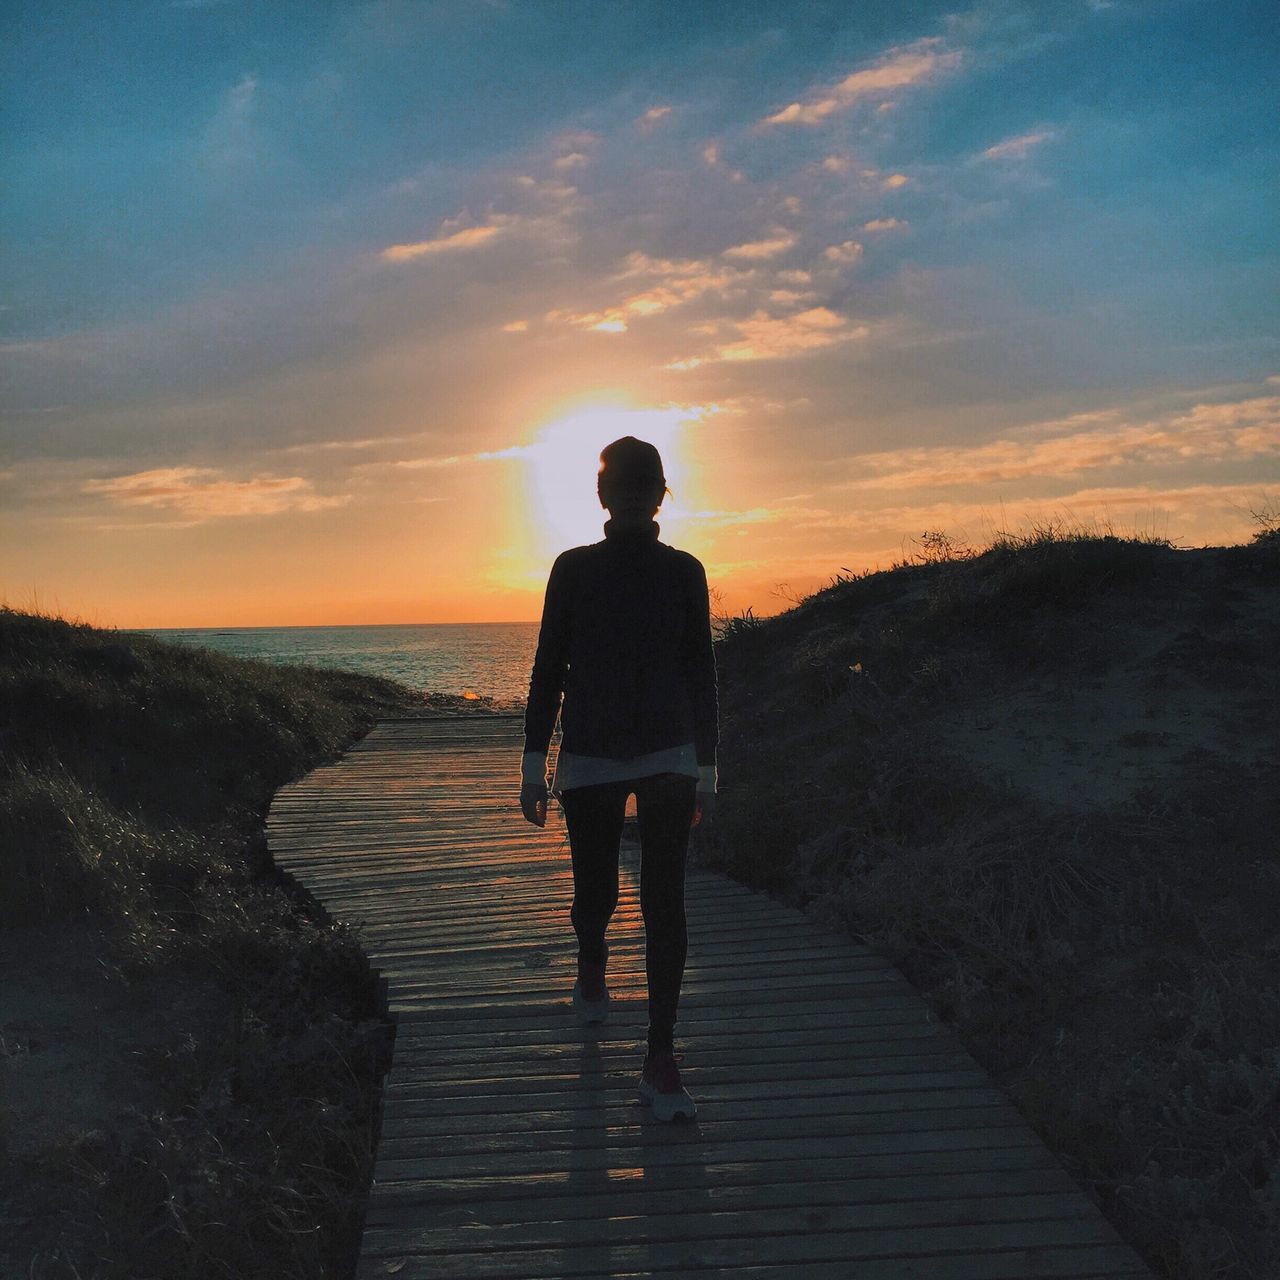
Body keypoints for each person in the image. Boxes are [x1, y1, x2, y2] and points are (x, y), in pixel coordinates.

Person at [519, 435, 718, 1122]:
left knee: (667, 903)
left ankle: (660, 1058)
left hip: (668, 755)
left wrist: (709, 767)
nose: (634, 491)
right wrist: (532, 765)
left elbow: (701, 672)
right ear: (603, 495)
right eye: (624, 482)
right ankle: (593, 965)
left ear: (661, 493)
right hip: (592, 756)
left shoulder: (685, 571)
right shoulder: (572, 569)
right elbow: (548, 667)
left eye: (645, 481)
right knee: (595, 892)